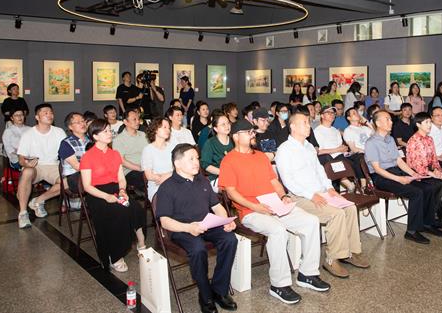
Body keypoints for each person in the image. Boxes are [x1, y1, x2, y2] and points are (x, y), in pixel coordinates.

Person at [219, 119, 329, 304]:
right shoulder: (229, 160)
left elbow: (274, 181)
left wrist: (283, 196)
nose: (253, 135)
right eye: (249, 132)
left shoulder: (261, 157)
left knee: (311, 221)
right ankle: (279, 285)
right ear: (236, 137)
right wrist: (255, 207)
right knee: (278, 230)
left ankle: (308, 274)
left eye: (253, 132)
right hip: (250, 211)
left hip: (274, 205)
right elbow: (231, 192)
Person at [277, 112, 369, 279]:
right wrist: (311, 195)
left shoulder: (309, 147)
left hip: (321, 192)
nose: (308, 126)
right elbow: (288, 180)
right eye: (305, 123)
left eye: (308, 122)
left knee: (349, 207)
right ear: (293, 127)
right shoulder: (284, 149)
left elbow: (320, 171)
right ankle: (332, 258)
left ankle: (350, 252)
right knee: (336, 214)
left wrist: (329, 188)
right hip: (300, 197)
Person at [156, 143, 238, 313]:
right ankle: (206, 295)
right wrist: (188, 228)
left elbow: (217, 207)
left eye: (197, 158)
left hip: (206, 223)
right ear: (177, 163)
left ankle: (219, 290)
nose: (196, 162)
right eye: (191, 159)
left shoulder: (203, 180)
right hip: (182, 228)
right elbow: (165, 221)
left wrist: (225, 221)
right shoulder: (167, 187)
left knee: (230, 239)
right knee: (198, 249)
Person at [364, 110, 442, 244]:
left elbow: (399, 161)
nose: (391, 122)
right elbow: (377, 169)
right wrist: (399, 179)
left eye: (390, 119)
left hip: (396, 172)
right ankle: (411, 231)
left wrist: (413, 173)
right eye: (387, 119)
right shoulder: (371, 142)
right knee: (416, 192)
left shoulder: (390, 139)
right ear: (378, 123)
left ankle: (427, 223)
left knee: (429, 188)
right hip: (381, 177)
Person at [79, 119, 146, 272]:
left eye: (110, 130)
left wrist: (122, 190)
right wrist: (106, 197)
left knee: (136, 208)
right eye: (105, 131)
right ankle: (115, 255)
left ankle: (141, 244)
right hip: (97, 194)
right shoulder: (88, 157)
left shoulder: (114, 154)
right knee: (119, 212)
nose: (110, 133)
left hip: (115, 190)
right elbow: (87, 186)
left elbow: (121, 178)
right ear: (95, 136)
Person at [15, 103, 67, 228]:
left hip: (53, 165)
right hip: (36, 167)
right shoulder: (28, 134)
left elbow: (66, 153)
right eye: (45, 113)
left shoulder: (59, 132)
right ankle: (23, 213)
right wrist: (26, 164)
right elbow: (21, 159)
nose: (50, 115)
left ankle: (38, 201)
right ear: (37, 117)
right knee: (27, 172)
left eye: (51, 113)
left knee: (68, 182)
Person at [112, 109, 148, 193]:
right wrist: (140, 168)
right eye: (134, 119)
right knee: (147, 180)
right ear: (125, 122)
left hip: (146, 167)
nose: (138, 121)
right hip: (130, 171)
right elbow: (121, 161)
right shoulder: (118, 139)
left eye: (138, 119)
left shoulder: (143, 135)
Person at [58, 112, 90, 195]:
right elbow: (77, 166)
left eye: (83, 121)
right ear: (70, 127)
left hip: (90, 173)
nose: (82, 124)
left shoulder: (91, 140)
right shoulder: (66, 143)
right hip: (74, 177)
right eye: (78, 122)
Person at [142, 117, 173, 200]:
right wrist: (170, 175)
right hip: (157, 186)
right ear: (155, 129)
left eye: (169, 128)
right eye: (164, 127)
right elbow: (149, 175)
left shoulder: (172, 147)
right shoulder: (148, 150)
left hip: (174, 182)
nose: (168, 130)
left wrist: (167, 176)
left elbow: (179, 168)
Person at [201, 113, 233, 190]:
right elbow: (205, 165)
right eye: (223, 124)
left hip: (234, 174)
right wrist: (224, 173)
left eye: (228, 123)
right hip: (217, 176)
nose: (227, 126)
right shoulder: (210, 143)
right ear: (216, 129)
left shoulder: (234, 140)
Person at [342, 107, 373, 188]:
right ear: (349, 118)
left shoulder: (365, 128)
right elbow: (353, 149)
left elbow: (376, 135)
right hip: (359, 154)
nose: (357, 114)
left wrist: (367, 122)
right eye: (354, 113)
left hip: (371, 152)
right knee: (360, 157)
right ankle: (363, 185)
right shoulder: (348, 130)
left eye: (356, 112)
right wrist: (367, 152)